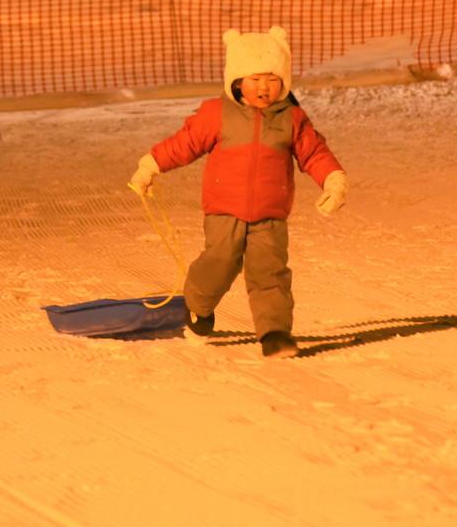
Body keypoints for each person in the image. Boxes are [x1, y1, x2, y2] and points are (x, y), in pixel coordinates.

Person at [128, 26, 347, 358]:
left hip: (270, 213)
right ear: (237, 80)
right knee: (220, 262)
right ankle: (198, 306)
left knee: (269, 272)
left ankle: (274, 333)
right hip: (224, 209)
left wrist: (333, 180)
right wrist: (150, 165)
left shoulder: (292, 118)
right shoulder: (217, 113)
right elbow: (184, 144)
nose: (264, 87)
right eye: (256, 79)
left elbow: (314, 154)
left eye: (273, 79)